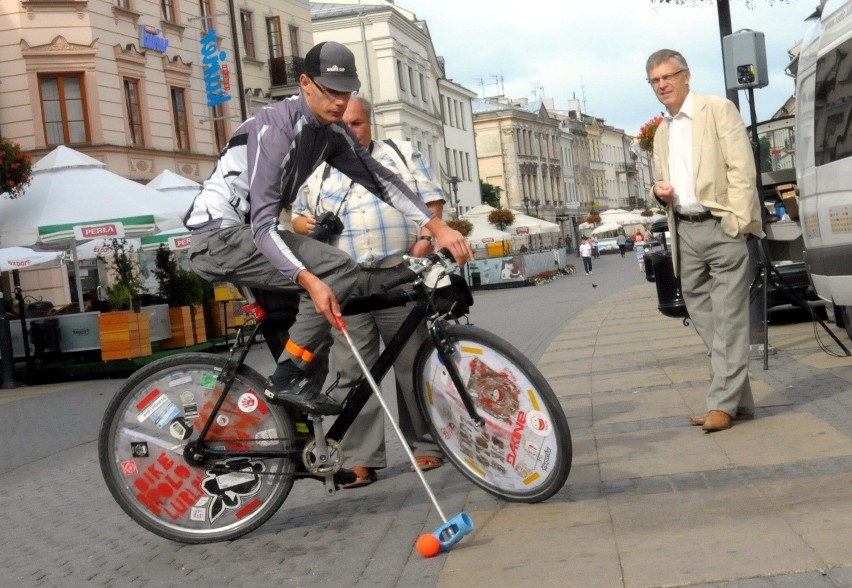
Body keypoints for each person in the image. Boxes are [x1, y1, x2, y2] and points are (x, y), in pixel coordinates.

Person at [184, 41, 472, 416]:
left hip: (247, 237)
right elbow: (264, 226)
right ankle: (285, 376)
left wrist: (437, 226)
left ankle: (305, 446)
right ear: (305, 83)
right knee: (336, 268)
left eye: (347, 91)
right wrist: (309, 278)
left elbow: (381, 180)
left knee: (315, 354)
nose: (340, 101)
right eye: (330, 91)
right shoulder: (276, 128)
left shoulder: (332, 134)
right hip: (219, 237)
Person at [291, 96, 444, 486]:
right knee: (352, 371)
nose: (347, 130)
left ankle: (427, 445)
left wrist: (426, 238)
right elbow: (295, 219)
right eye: (340, 124)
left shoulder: (400, 154)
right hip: (346, 281)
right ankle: (362, 459)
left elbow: (432, 200)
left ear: (369, 123)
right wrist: (307, 227)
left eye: (355, 123)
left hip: (398, 272)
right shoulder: (315, 167)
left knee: (414, 362)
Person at [645, 48, 763, 432]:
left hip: (721, 225)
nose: (662, 84)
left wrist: (740, 223)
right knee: (705, 320)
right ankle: (738, 401)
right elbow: (664, 180)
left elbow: (741, 167)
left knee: (728, 318)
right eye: (655, 80)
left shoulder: (717, 109)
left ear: (686, 75)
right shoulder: (662, 131)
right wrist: (658, 192)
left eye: (668, 76)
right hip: (685, 231)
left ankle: (721, 405)